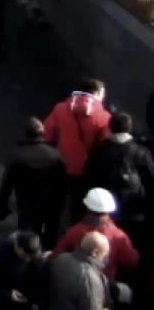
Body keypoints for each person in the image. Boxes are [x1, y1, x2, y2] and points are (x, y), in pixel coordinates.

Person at [46, 81, 114, 224]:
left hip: (61, 164)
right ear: (96, 93)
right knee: (78, 206)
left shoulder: (60, 108)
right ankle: (74, 234)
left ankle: (48, 237)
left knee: (54, 204)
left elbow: (48, 135)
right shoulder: (104, 117)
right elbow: (104, 146)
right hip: (85, 170)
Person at [86, 113, 154, 246]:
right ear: (130, 128)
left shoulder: (99, 151)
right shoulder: (142, 152)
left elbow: (89, 179)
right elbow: (150, 179)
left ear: (110, 127)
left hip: (106, 209)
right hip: (135, 208)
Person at [2, 119, 70, 241]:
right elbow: (62, 181)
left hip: (26, 199)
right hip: (50, 199)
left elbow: (7, 182)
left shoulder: (16, 155)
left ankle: (26, 252)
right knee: (49, 227)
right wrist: (61, 202)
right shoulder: (55, 155)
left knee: (25, 228)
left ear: (25, 133)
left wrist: (3, 203)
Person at [56, 189, 141, 281]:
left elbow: (56, 256)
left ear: (87, 207)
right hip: (106, 287)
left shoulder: (73, 232)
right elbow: (132, 261)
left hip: (76, 281)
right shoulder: (118, 236)